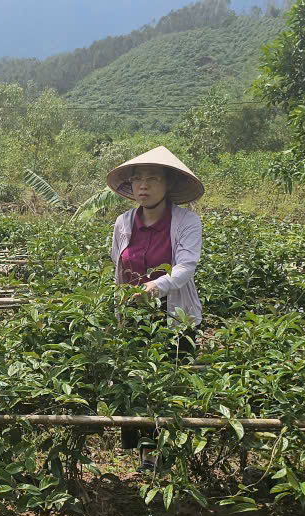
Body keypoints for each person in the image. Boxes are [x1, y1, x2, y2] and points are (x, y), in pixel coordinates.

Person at [107, 146, 205, 470]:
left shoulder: (187, 221)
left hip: (173, 314)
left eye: (152, 179)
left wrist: (155, 286)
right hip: (134, 315)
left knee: (171, 381)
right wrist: (120, 306)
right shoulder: (123, 223)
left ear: (167, 185)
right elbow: (117, 266)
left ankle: (170, 452)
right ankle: (147, 453)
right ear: (131, 187)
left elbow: (186, 266)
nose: (144, 186)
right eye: (138, 180)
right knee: (137, 381)